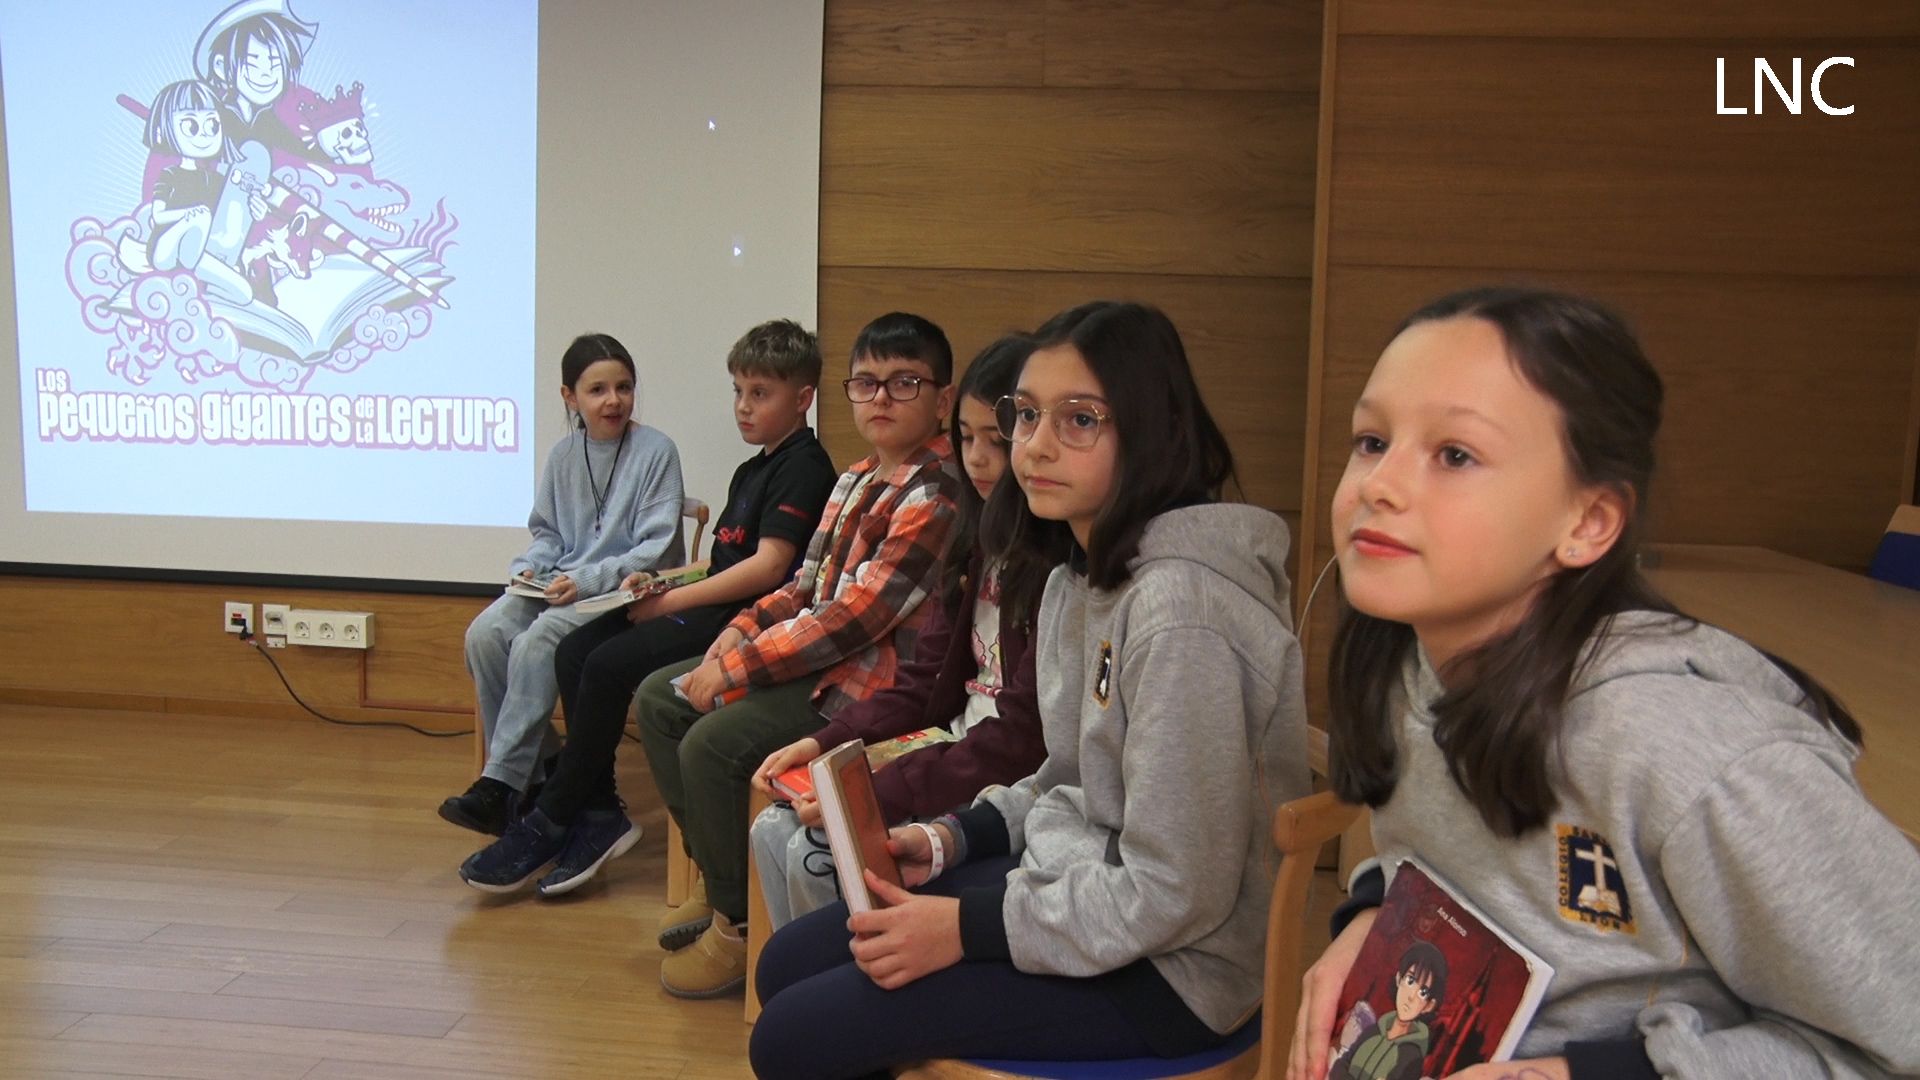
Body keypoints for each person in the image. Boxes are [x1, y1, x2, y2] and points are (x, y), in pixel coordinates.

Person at [1287, 287, 1920, 1080]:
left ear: (1587, 522)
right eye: (1372, 440)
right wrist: (1373, 912)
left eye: (1455, 455)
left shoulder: (1694, 756)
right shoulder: (1403, 662)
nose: (1378, 484)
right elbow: (1444, 861)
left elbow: (1900, 1036)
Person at [748, 300, 1311, 1078]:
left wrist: (968, 928)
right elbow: (1064, 779)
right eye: (1027, 415)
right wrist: (954, 839)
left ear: (1148, 429)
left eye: (1080, 420)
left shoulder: (1182, 614)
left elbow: (1177, 891)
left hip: (1173, 971)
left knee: (793, 1036)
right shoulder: (1079, 576)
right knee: (786, 964)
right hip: (1077, 890)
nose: (1033, 447)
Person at [641, 313, 962, 999]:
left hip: (867, 692)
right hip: (820, 669)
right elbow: (802, 585)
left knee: (712, 743)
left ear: (943, 398)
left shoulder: (938, 492)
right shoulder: (852, 478)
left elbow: (852, 620)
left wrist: (734, 667)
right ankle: (723, 882)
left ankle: (735, 925)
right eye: (868, 383)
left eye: (904, 383)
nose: (881, 398)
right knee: (658, 701)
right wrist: (739, 631)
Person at [456, 319, 836, 895]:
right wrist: (659, 589)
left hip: (742, 621)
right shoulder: (753, 466)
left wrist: (669, 599)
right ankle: (597, 808)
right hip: (709, 600)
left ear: (803, 399)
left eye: (760, 394)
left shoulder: (803, 466)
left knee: (602, 662)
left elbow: (765, 570)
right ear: (570, 398)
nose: (742, 407)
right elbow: (722, 561)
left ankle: (552, 816)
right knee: (578, 650)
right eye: (739, 391)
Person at [746, 335, 1055, 929]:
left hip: (1004, 778)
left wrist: (884, 789)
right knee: (774, 825)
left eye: (999, 438)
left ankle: (846, 996)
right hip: (948, 743)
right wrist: (828, 742)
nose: (980, 460)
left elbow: (1023, 738)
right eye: (966, 440)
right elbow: (922, 684)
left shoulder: (1054, 568)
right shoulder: (973, 540)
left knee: (813, 851)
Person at [441, 333, 684, 836]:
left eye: (624, 387)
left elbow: (655, 550)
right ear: (569, 397)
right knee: (485, 634)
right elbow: (548, 533)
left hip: (626, 590)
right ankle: (540, 770)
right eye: (597, 390)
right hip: (560, 584)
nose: (613, 400)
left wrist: (589, 577)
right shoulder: (563, 455)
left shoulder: (657, 450)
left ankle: (500, 786)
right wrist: (530, 566)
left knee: (539, 639)